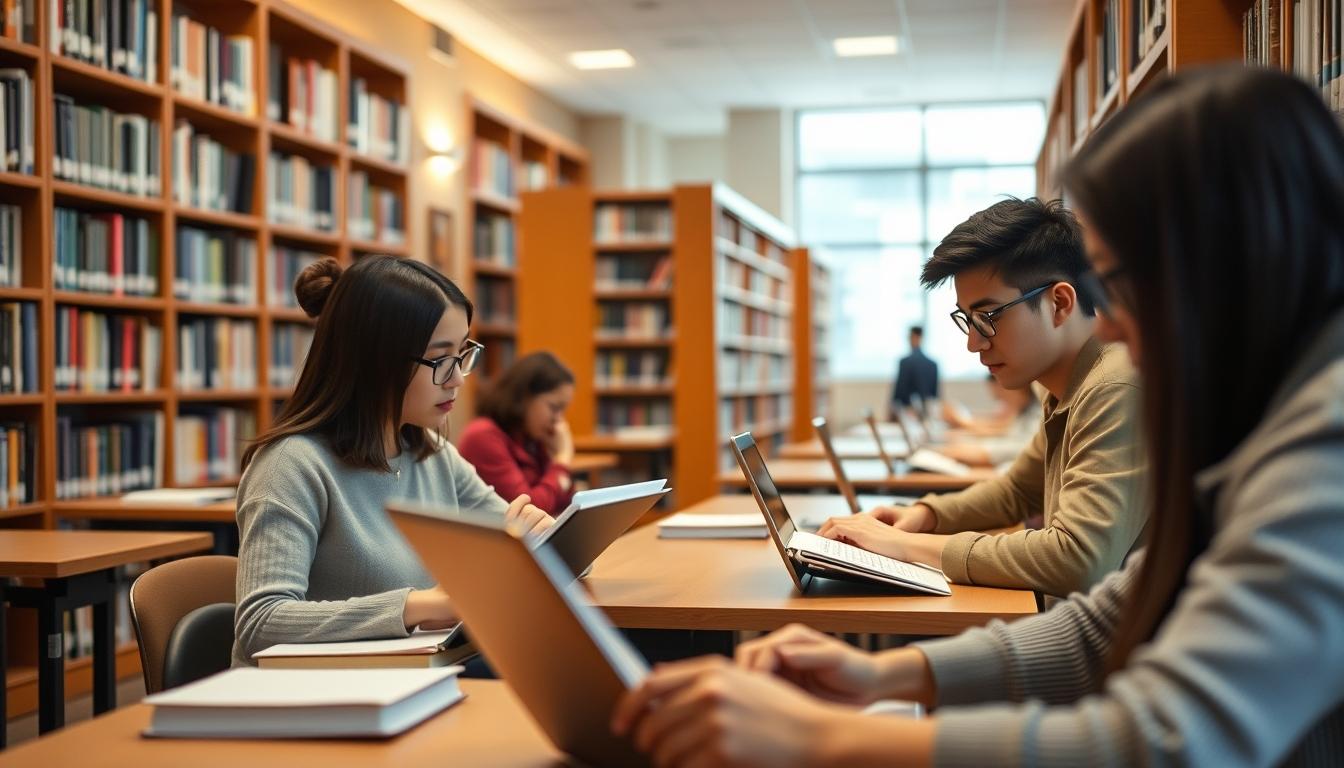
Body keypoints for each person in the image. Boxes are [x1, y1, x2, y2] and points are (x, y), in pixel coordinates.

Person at [612, 65, 1344, 767]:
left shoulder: (1322, 448)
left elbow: (1163, 741)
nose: (1113, 324)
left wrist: (821, 739)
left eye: (1122, 284)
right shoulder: (1259, 419)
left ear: (1224, 260)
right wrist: (883, 674)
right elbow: (1117, 612)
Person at [231, 256, 552, 667]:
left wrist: (541, 542)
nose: (457, 378)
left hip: (415, 675)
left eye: (462, 354)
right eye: (440, 360)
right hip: (318, 691)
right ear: (376, 362)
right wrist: (420, 606)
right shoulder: (290, 465)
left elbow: (508, 539)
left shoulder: (431, 453)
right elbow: (261, 623)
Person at [824, 196, 1146, 599]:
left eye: (989, 317)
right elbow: (1017, 490)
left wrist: (903, 545)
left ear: (1060, 303)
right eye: (968, 320)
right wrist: (924, 515)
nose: (973, 344)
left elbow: (1079, 559)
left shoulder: (1113, 386)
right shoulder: (1068, 385)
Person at [458, 352, 577, 515]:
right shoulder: (481, 436)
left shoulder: (531, 437)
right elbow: (529, 512)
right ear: (524, 397)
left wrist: (554, 461)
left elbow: (566, 502)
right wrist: (562, 461)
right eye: (554, 408)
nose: (559, 420)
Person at [937, 374, 1038, 468]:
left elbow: (1022, 445)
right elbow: (1006, 432)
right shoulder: (1025, 409)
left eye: (1002, 396)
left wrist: (981, 452)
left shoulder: (1038, 410)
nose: (1001, 401)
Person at [887, 326, 938, 421]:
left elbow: (899, 391)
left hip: (907, 412)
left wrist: (891, 411)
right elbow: (935, 395)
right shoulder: (933, 364)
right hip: (927, 413)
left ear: (914, 337)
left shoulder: (905, 362)